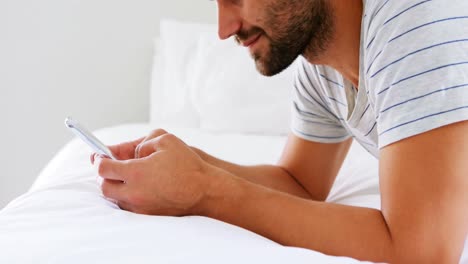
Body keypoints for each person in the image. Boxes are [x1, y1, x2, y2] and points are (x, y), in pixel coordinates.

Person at [91, 0, 468, 262]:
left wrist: (204, 191)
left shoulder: (415, 18)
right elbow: (298, 182)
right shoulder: (322, 63)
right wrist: (190, 164)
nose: (224, 29)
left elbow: (422, 251)